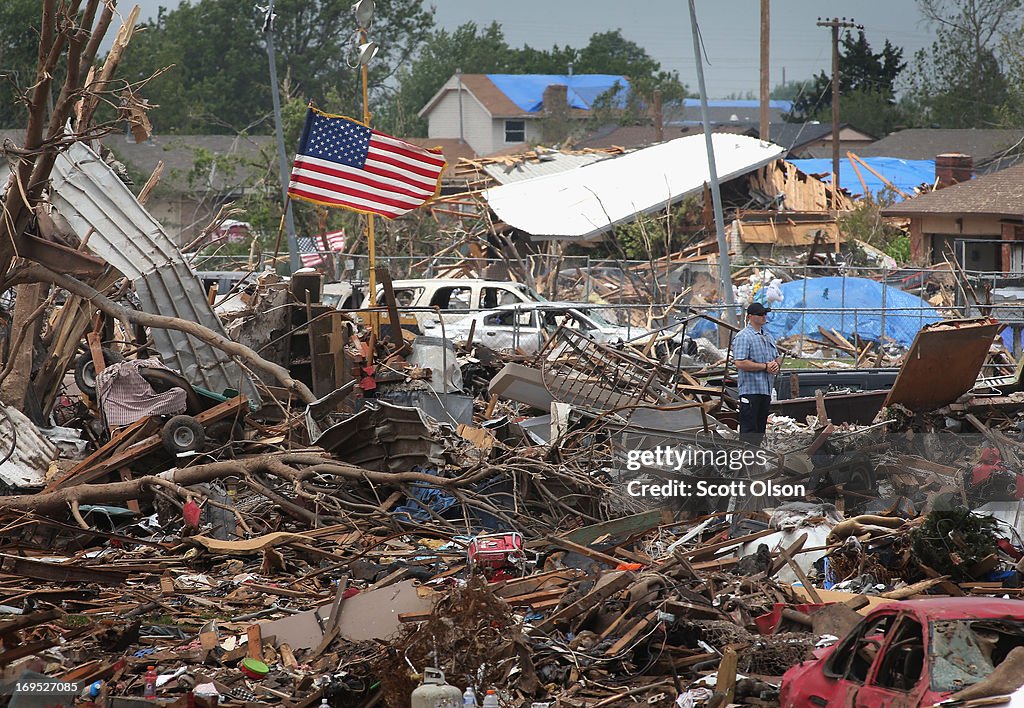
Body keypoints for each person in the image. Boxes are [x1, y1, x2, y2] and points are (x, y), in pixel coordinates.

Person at [733, 302, 781, 441]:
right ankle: (746, 460)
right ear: (750, 317)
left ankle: (755, 459)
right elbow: (740, 362)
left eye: (765, 313)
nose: (764, 316)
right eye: (760, 314)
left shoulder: (768, 336)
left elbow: (776, 358)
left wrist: (775, 366)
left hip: (765, 390)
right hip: (750, 390)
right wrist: (765, 367)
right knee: (749, 429)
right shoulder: (744, 336)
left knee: (760, 429)